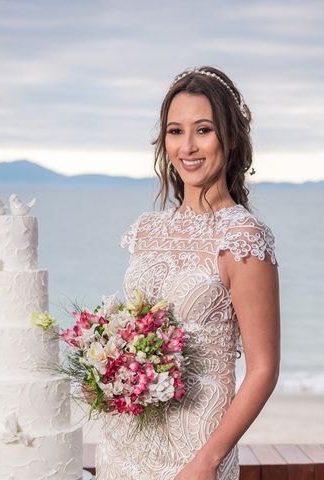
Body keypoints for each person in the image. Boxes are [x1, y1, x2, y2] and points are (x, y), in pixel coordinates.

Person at [94, 65, 281, 480]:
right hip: (126, 444)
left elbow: (264, 368)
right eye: (175, 131)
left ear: (229, 137)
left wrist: (207, 461)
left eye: (203, 130)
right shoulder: (147, 230)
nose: (188, 146)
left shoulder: (243, 237)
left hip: (196, 449)